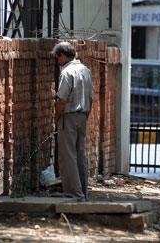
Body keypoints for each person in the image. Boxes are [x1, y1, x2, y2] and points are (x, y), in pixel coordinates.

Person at [52, 42, 94, 201]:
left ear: (62, 55)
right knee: (79, 154)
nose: (58, 61)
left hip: (68, 116)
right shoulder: (86, 70)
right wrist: (85, 116)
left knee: (68, 156)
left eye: (58, 58)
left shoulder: (66, 72)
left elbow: (61, 100)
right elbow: (91, 98)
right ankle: (83, 192)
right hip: (82, 115)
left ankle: (74, 193)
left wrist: (56, 118)